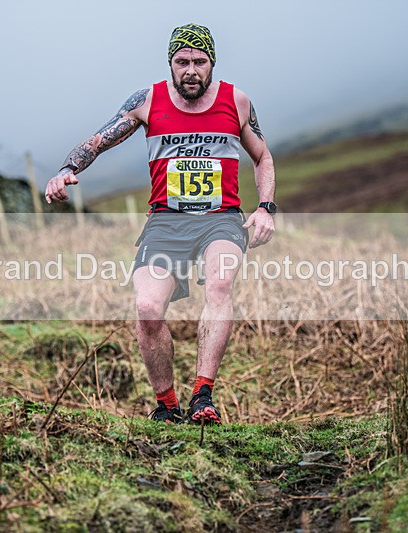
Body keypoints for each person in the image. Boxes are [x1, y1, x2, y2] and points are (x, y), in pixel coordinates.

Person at [45, 23, 276, 424]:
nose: (190, 70)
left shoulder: (235, 101)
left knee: (219, 285)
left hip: (219, 218)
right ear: (170, 63)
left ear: (211, 64)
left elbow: (263, 157)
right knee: (148, 308)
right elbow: (99, 140)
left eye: (199, 62)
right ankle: (168, 406)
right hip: (165, 222)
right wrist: (66, 169)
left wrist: (265, 207)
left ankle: (203, 396)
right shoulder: (146, 101)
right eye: (182, 61)